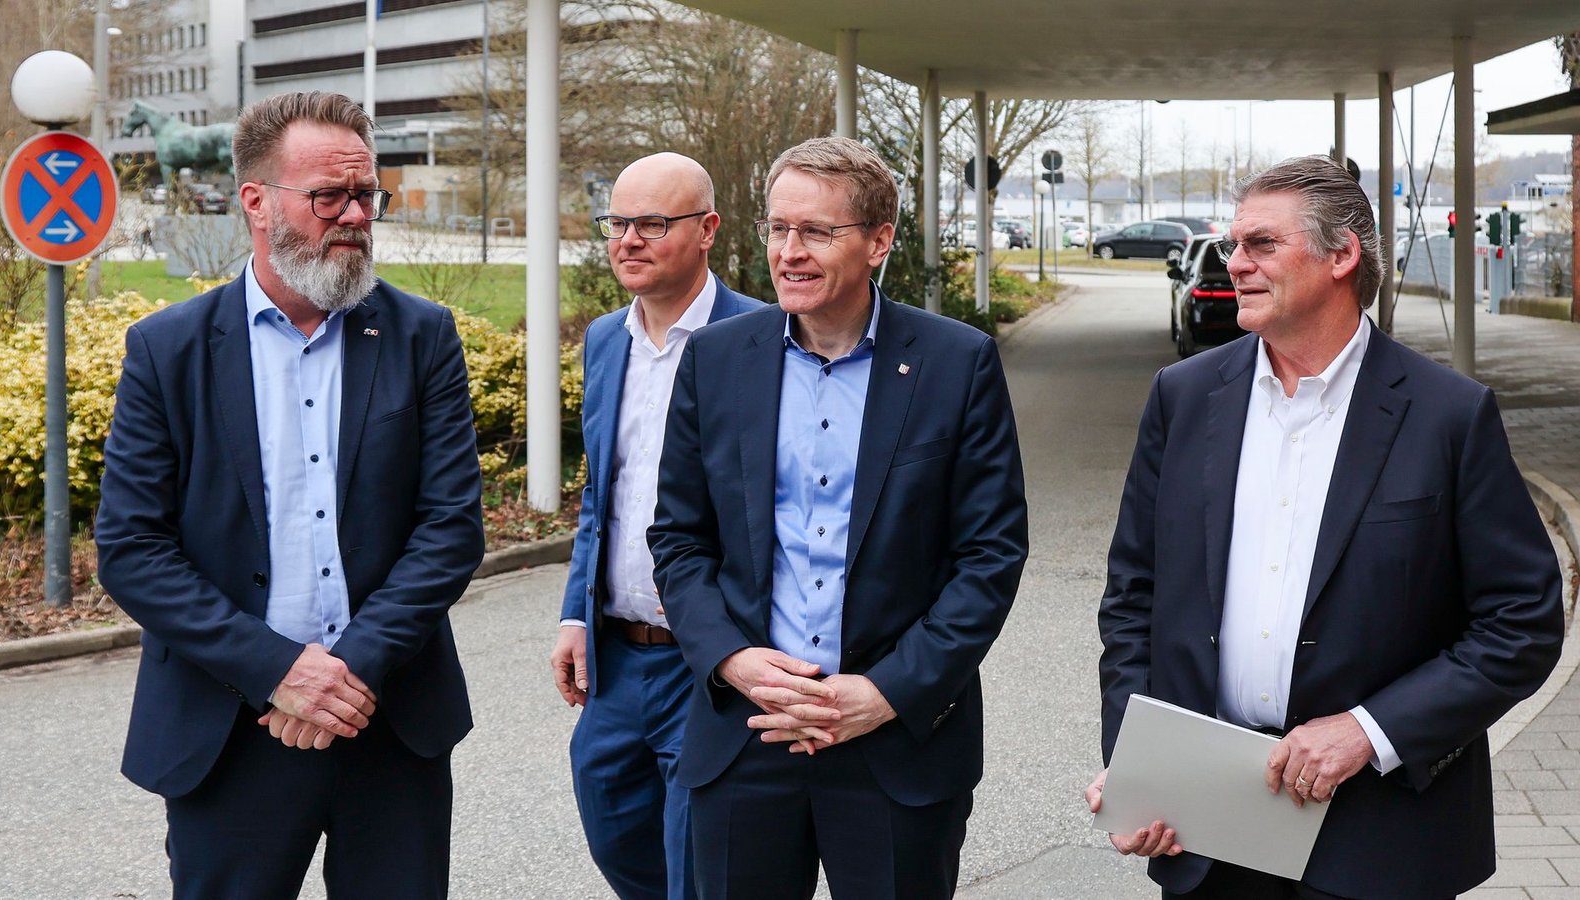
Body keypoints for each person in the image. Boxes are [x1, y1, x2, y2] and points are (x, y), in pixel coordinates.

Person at [1088, 154, 1564, 899]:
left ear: (1342, 255)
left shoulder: (1448, 415)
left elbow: (1522, 621)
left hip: (1383, 839)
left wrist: (1369, 731)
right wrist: (1138, 764)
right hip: (1208, 830)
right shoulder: (1182, 397)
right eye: (1234, 243)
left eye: (1261, 244)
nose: (1233, 262)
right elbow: (1132, 600)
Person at [96, 91, 484, 900]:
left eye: (367, 194)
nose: (356, 216)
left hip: (389, 718)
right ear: (255, 201)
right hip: (230, 725)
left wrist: (348, 672)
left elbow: (449, 530)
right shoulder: (168, 351)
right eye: (329, 197)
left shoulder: (422, 336)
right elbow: (133, 549)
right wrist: (277, 670)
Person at [648, 135, 1029, 900]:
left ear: (879, 242)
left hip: (894, 739)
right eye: (778, 228)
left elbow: (989, 554)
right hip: (748, 731)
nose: (790, 251)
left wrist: (888, 691)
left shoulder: (956, 364)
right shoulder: (716, 359)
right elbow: (680, 539)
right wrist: (731, 659)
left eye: (817, 231)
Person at [551, 151, 761, 899]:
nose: (628, 240)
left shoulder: (763, 338)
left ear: (707, 230)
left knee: (693, 867)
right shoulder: (606, 339)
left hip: (707, 663)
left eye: (651, 224)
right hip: (616, 659)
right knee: (613, 830)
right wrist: (575, 614)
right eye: (617, 223)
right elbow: (601, 494)